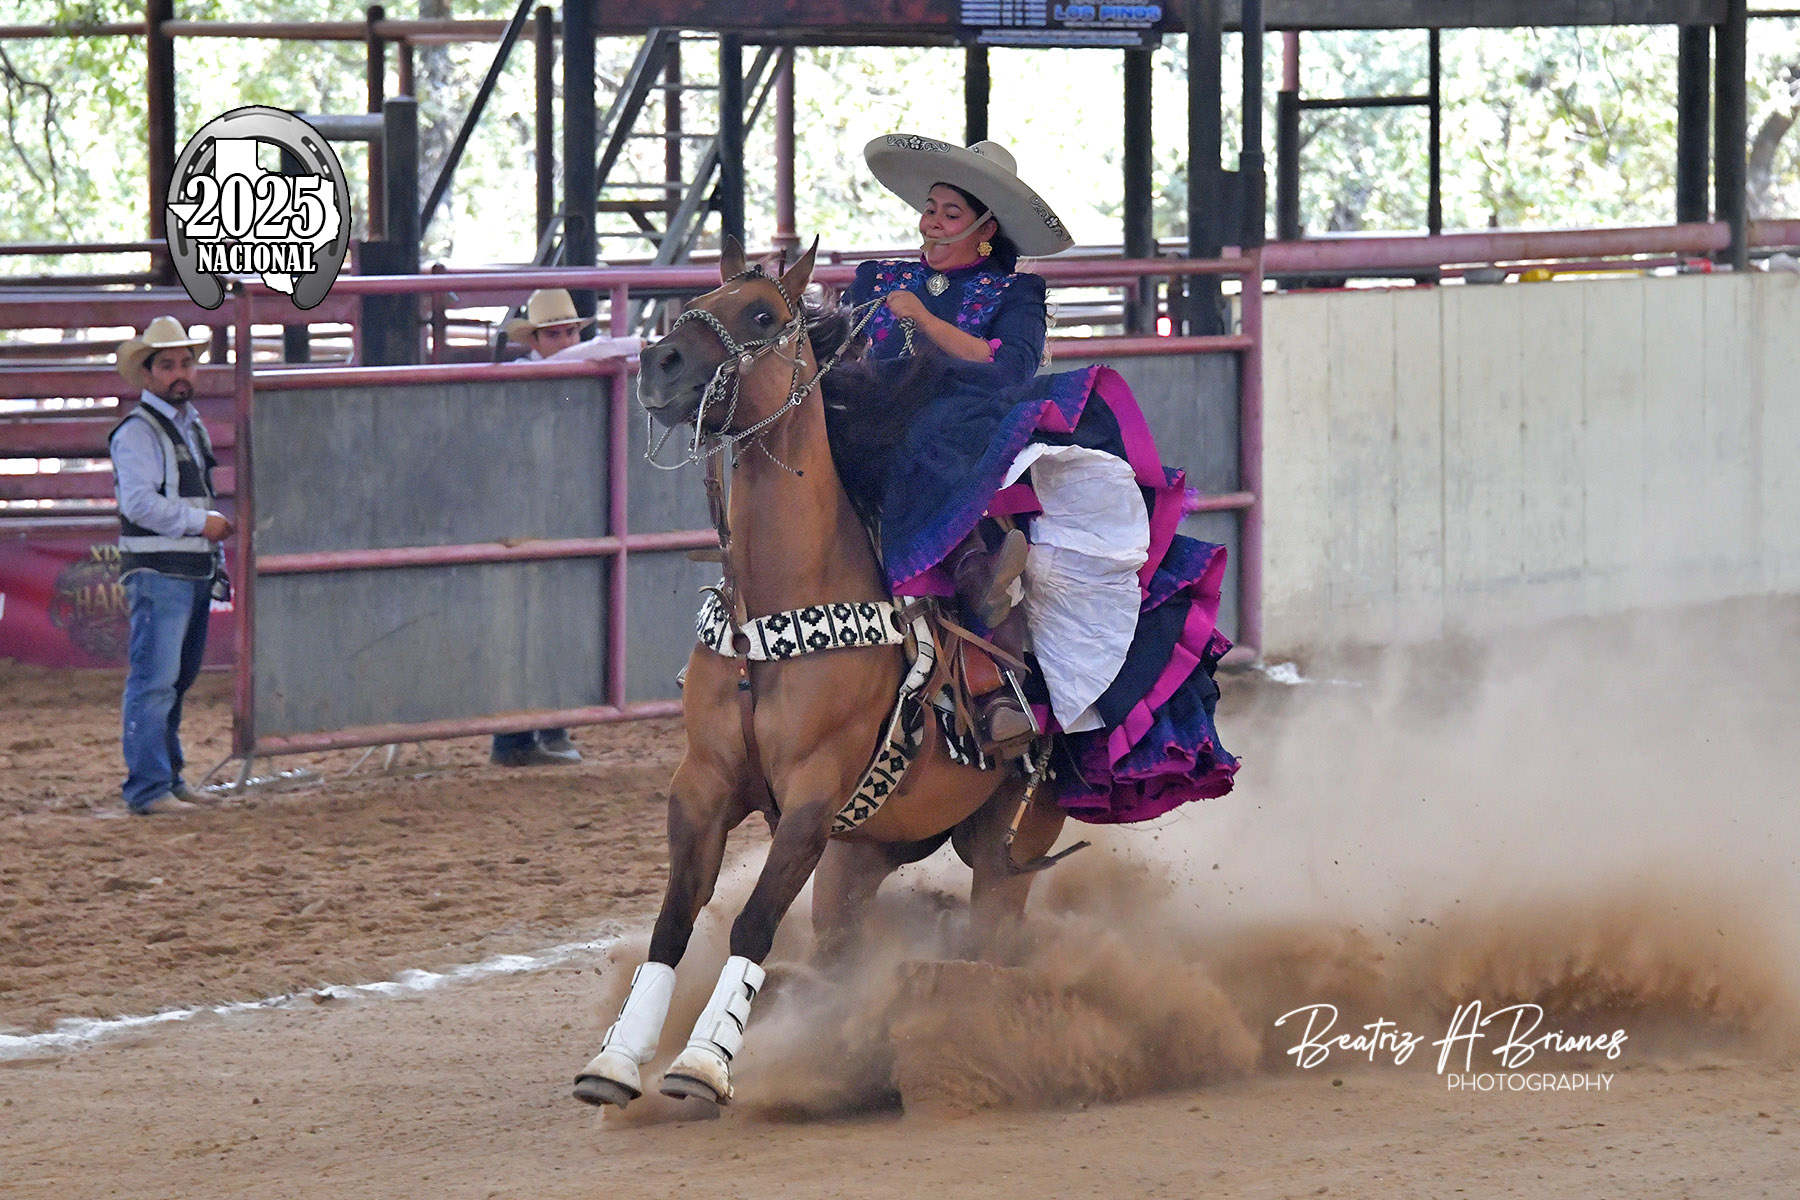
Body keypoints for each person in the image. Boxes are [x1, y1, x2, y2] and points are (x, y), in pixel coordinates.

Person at [840, 134, 1238, 821]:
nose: (931, 222)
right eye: (929, 209)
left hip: (967, 424)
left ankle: (987, 622)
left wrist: (925, 322)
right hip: (874, 416)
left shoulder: (1016, 292)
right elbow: (842, 348)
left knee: (931, 449)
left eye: (948, 212)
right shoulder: (876, 279)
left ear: (985, 228)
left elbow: (1007, 368)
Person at [486, 289, 641, 767]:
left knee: (555, 619)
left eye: (571, 331)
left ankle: (545, 728)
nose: (567, 341)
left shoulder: (582, 372)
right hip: (529, 514)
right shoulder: (532, 374)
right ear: (534, 340)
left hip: (560, 509)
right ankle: (520, 735)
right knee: (528, 624)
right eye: (555, 334)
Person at [110, 317, 233, 815]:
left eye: (185, 362)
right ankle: (151, 787)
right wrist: (201, 523)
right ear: (148, 373)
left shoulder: (184, 425)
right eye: (167, 365)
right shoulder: (140, 431)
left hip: (182, 568)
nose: (179, 372)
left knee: (170, 681)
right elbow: (139, 504)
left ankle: (165, 779)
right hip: (161, 569)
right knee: (158, 681)